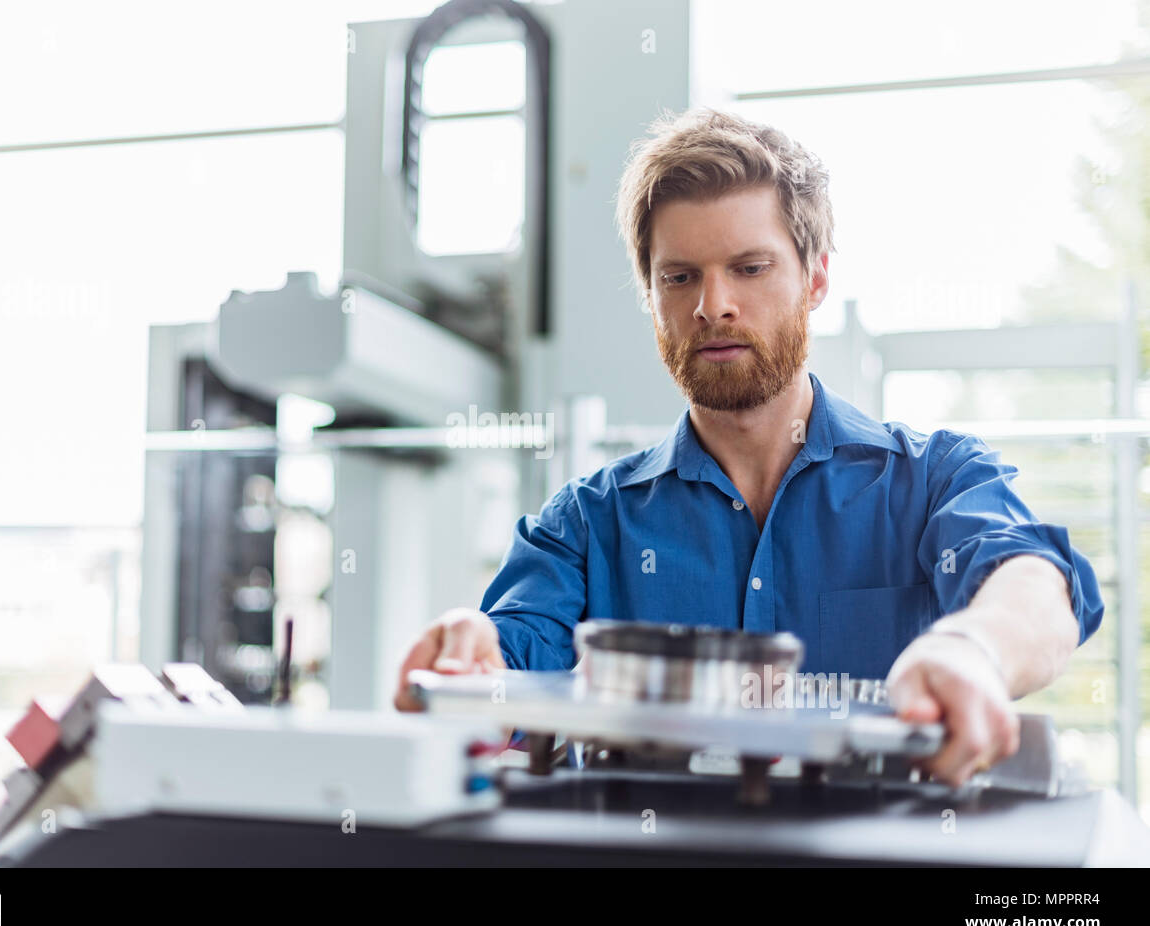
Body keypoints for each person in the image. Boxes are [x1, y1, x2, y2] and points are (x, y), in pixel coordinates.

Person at [393, 106, 1103, 788]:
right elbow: (508, 657)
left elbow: (1032, 581)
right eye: (679, 277)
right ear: (651, 294)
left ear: (815, 277)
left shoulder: (933, 480)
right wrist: (470, 658)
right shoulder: (587, 524)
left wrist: (972, 649)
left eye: (750, 267)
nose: (713, 305)